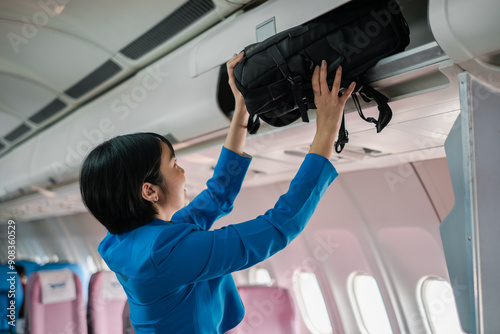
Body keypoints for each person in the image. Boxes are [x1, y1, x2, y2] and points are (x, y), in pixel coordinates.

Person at [79, 53, 355, 333]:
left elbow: (217, 195)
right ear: (149, 191)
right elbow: (276, 228)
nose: (183, 172)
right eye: (174, 165)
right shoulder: (163, 252)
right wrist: (326, 131)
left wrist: (241, 110)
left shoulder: (130, 240)